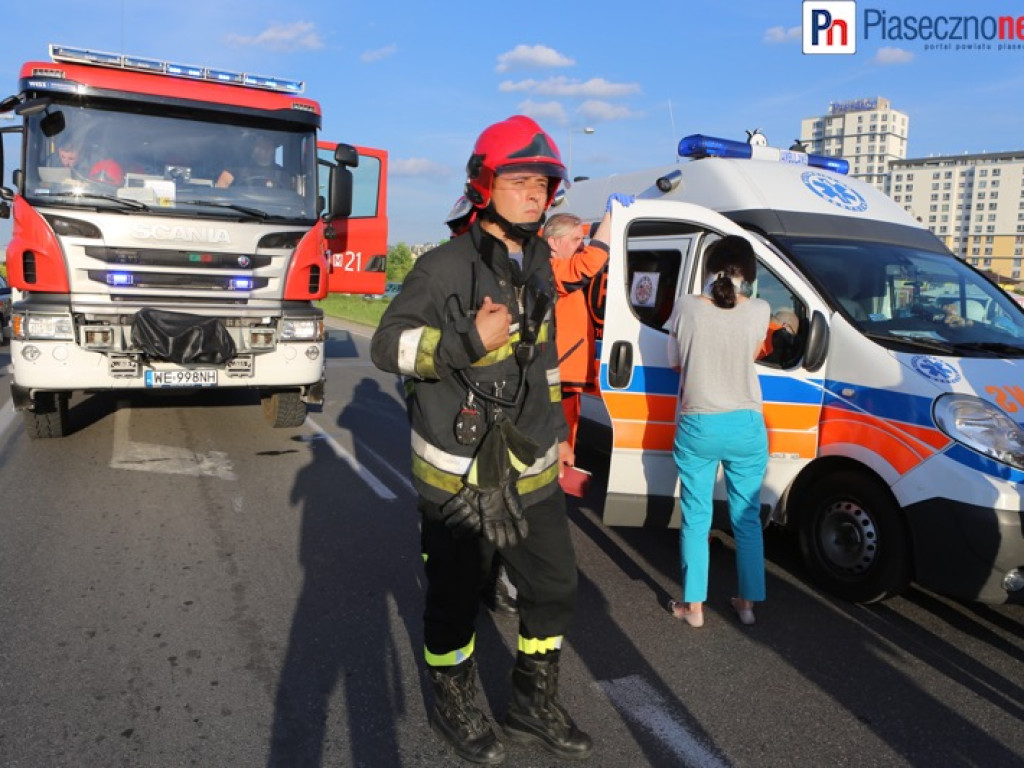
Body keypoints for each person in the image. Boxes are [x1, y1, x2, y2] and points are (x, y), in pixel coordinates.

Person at [371, 115, 592, 764]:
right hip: (457, 480)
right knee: (454, 602)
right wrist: (467, 340)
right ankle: (454, 702)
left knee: (555, 588)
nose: (534, 195)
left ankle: (531, 704)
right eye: (519, 181)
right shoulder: (442, 268)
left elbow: (544, 361)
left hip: (532, 467)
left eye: (543, 184)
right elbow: (387, 347)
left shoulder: (539, 264)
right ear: (482, 186)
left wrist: (559, 433)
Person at [666, 235, 771, 629]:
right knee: (746, 519)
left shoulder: (686, 306)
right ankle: (747, 604)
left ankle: (693, 607)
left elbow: (675, 363)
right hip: (746, 425)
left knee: (697, 518)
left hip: (699, 422)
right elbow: (752, 353)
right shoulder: (760, 309)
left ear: (709, 267)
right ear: (750, 273)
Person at [545, 192, 633, 450]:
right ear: (553, 242)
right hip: (554, 375)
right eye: (576, 239)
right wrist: (610, 217)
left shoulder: (557, 268)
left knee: (564, 443)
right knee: (556, 447)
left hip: (562, 376)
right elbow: (589, 263)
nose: (581, 245)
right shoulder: (551, 270)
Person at [215, 134, 290, 189]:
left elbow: (287, 196)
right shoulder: (235, 168)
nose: (263, 150)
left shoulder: (282, 173)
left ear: (273, 149)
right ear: (253, 148)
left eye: (267, 146)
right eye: (260, 145)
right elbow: (221, 191)